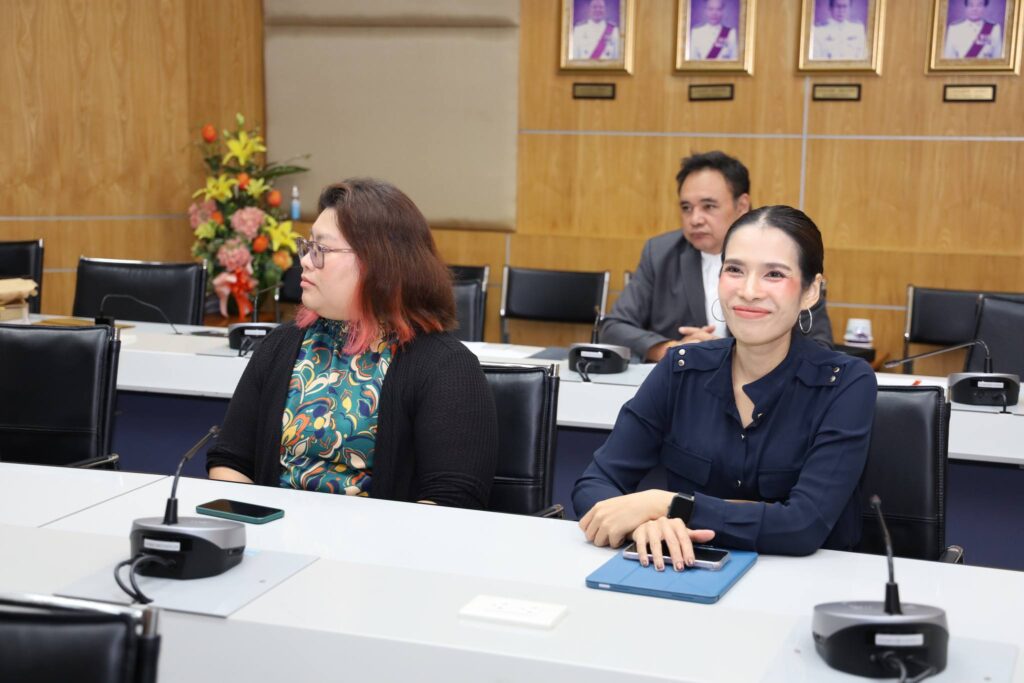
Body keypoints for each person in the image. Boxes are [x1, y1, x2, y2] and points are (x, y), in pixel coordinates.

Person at [574, 206, 877, 566]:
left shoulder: (846, 383)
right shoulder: (680, 369)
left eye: (774, 274)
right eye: (734, 269)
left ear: (811, 291)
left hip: (807, 584)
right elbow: (594, 483)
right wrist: (646, 526)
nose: (748, 291)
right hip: (686, 575)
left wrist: (669, 506)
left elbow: (802, 525)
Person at [207, 178, 498, 509]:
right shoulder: (281, 345)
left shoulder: (445, 366)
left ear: (377, 262)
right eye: (307, 246)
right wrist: (256, 524)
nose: (305, 260)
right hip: (275, 532)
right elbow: (230, 459)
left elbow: (452, 498)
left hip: (385, 540)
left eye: (322, 249)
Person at [600, 151, 833, 362]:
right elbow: (613, 327)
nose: (695, 219)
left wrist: (727, 354)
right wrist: (673, 350)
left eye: (709, 206)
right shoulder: (659, 253)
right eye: (686, 208)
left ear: (742, 205)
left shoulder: (784, 254)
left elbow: (819, 346)